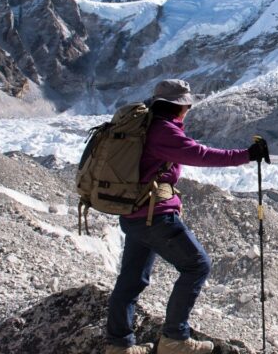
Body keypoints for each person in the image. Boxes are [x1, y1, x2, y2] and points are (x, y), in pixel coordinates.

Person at [105, 79, 255, 354]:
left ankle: (119, 346)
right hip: (155, 215)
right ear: (179, 106)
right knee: (197, 265)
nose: (188, 109)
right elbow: (201, 155)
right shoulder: (163, 131)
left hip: (133, 213)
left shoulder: (145, 125)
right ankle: (174, 339)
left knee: (131, 279)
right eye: (186, 105)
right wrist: (247, 155)